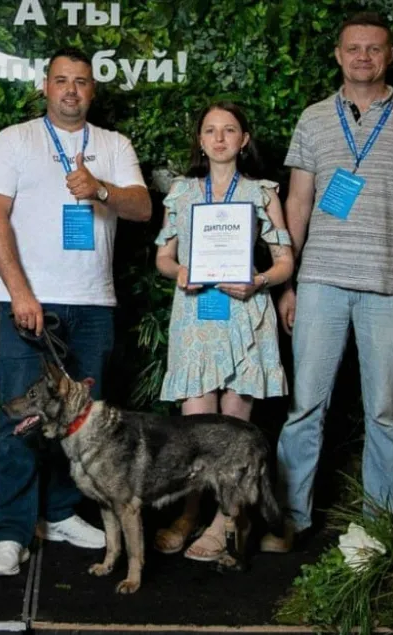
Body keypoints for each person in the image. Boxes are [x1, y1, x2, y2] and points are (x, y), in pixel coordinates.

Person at [270, 12, 393, 549]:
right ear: (338, 54)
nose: (364, 57)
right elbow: (297, 203)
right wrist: (287, 281)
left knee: (385, 412)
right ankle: (288, 518)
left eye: (374, 49)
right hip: (321, 281)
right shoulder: (314, 119)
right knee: (304, 405)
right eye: (354, 48)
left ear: (389, 55)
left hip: (392, 285)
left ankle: (382, 527)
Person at [0, 47, 152, 576]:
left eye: (80, 81)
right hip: (29, 302)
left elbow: (143, 207)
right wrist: (20, 292)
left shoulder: (113, 145)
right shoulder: (16, 139)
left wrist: (98, 188)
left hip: (93, 302)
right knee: (21, 421)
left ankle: (59, 514)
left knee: (84, 427)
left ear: (92, 91)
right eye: (61, 80)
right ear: (45, 87)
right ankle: (10, 533)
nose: (71, 90)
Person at [150, 102, 294, 562]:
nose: (219, 138)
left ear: (244, 139)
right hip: (196, 313)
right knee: (194, 432)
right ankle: (191, 512)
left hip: (244, 313)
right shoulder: (182, 192)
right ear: (200, 139)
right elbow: (163, 257)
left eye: (229, 130)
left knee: (232, 432)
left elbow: (285, 260)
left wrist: (258, 280)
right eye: (210, 130)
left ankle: (227, 522)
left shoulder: (261, 193)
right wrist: (180, 272)